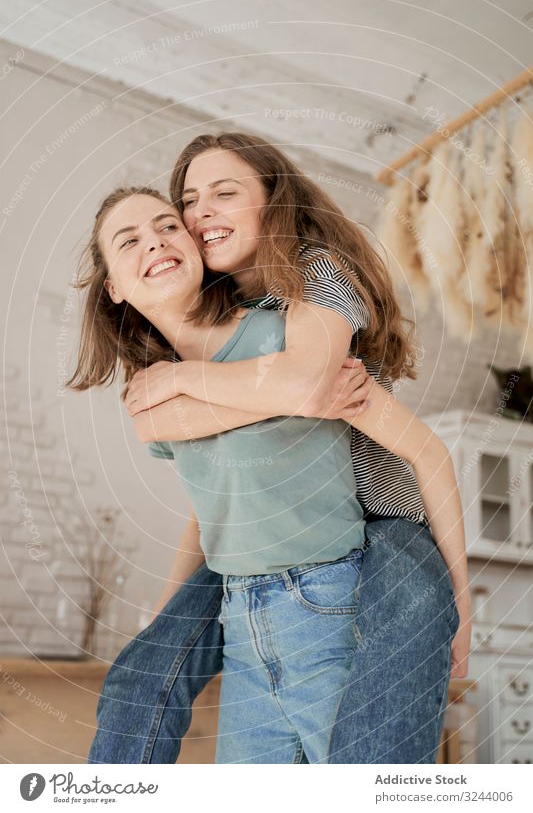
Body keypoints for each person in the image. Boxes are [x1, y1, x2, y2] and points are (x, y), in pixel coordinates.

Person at [68, 135, 469, 763]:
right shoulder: (188, 354)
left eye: (224, 193)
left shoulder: (308, 296)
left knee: (372, 746)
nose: (199, 216)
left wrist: (460, 606)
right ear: (113, 286)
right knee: (141, 678)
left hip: (372, 540)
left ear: (272, 203)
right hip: (250, 592)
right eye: (190, 202)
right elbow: (213, 502)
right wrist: (169, 626)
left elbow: (312, 385)